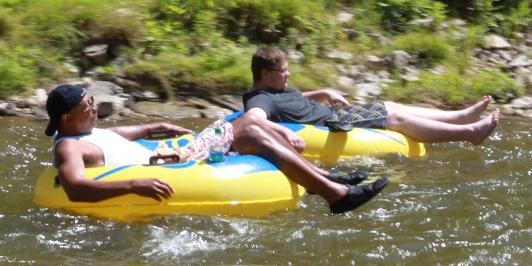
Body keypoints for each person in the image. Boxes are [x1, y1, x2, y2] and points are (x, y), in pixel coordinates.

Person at [45, 83, 388, 214]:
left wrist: (150, 127)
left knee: (248, 129)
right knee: (249, 129)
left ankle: (328, 182)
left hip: (174, 154)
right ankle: (334, 192)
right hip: (169, 165)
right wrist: (134, 184)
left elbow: (116, 134)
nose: (94, 107)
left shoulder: (86, 133)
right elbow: (75, 188)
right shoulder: (69, 149)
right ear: (66, 117)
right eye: (87, 105)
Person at [244, 46, 498, 144]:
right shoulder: (260, 99)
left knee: (390, 104)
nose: (288, 75)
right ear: (266, 73)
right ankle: (469, 133)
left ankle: (461, 116)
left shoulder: (274, 89)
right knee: (396, 117)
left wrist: (323, 92)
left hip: (335, 112)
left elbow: (292, 100)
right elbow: (254, 118)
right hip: (331, 124)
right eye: (283, 71)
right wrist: (285, 133)